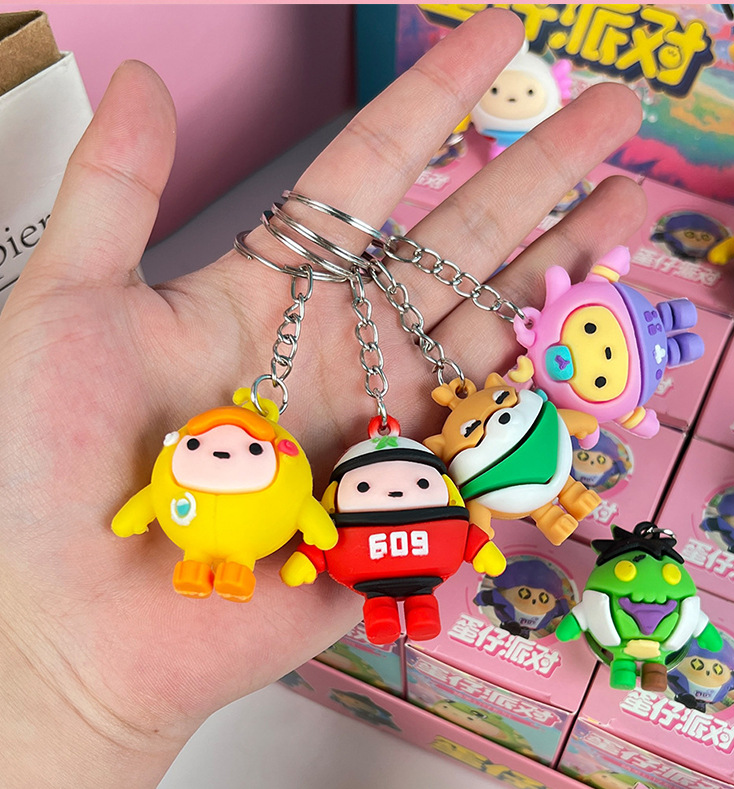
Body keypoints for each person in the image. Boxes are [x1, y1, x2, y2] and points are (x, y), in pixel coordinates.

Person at [0, 9, 644, 787]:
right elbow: (306, 518)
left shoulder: (353, 475)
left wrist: (58, 689)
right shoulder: (287, 473)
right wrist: (45, 673)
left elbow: (322, 520)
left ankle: (397, 597)